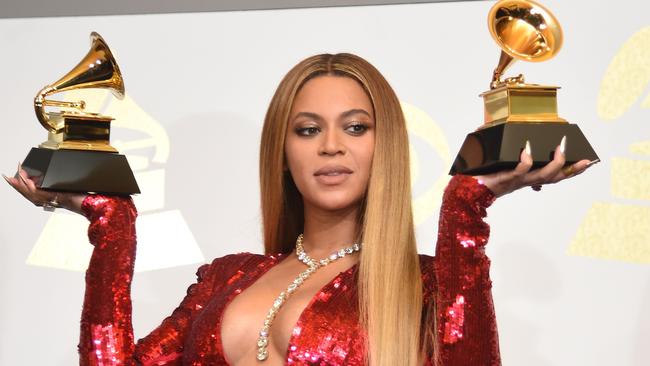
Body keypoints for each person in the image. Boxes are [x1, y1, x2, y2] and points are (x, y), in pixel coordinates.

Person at [4, 53, 594, 366]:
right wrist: (112, 231)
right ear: (283, 153)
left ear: (383, 146)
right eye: (307, 129)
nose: (331, 145)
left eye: (355, 128)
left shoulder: (425, 284)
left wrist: (465, 209)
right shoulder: (227, 278)